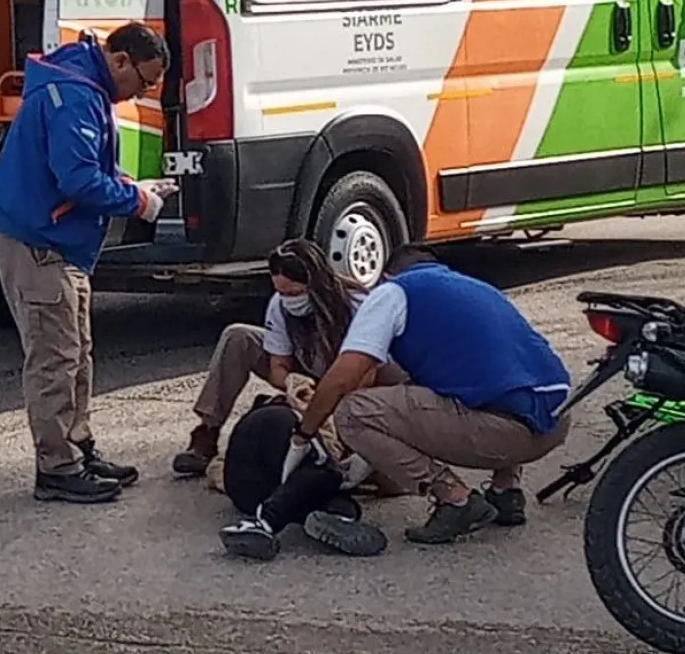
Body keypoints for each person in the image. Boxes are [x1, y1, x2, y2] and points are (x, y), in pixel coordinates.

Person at [0, 22, 178, 504]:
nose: (145, 92)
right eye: (145, 81)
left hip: (55, 238)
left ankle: (76, 446)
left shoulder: (80, 86)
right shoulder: (75, 98)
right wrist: (138, 203)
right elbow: (77, 180)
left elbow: (85, 169)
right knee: (55, 356)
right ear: (119, 61)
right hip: (38, 239)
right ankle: (56, 467)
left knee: (76, 350)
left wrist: (133, 186)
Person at [283, 244, 573, 545]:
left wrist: (303, 435)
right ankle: (505, 490)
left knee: (352, 413)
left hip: (501, 434)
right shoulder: (475, 288)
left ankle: (455, 500)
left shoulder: (393, 292)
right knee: (494, 381)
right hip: (556, 420)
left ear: (386, 276)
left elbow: (344, 377)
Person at [173, 238, 392, 476]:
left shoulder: (357, 304)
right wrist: (292, 384)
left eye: (296, 293)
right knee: (237, 336)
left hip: (356, 381)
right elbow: (278, 365)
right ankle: (208, 431)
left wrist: (324, 407)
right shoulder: (281, 305)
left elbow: (367, 373)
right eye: (282, 292)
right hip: (308, 375)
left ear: (317, 283)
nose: (290, 300)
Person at [218, 395, 388, 561]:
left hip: (243, 497)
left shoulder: (250, 424)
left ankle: (334, 511)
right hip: (270, 492)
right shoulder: (289, 418)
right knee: (325, 473)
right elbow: (309, 452)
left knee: (310, 489)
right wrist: (338, 475)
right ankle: (265, 523)